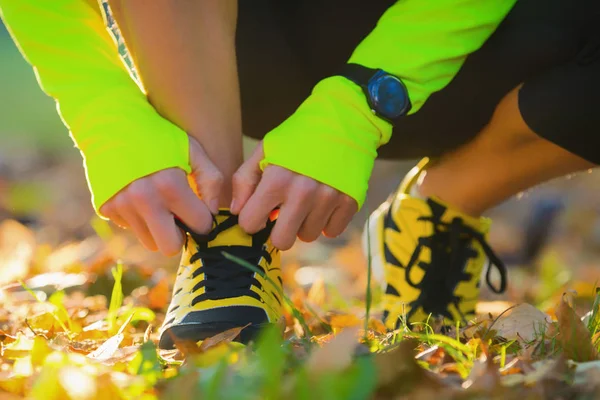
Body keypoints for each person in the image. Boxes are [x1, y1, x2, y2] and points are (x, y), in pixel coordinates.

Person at [1, 0, 598, 348]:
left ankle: (439, 206)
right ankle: (227, 243)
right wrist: (106, 117)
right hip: (256, 39)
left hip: (509, 36)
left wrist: (355, 107)